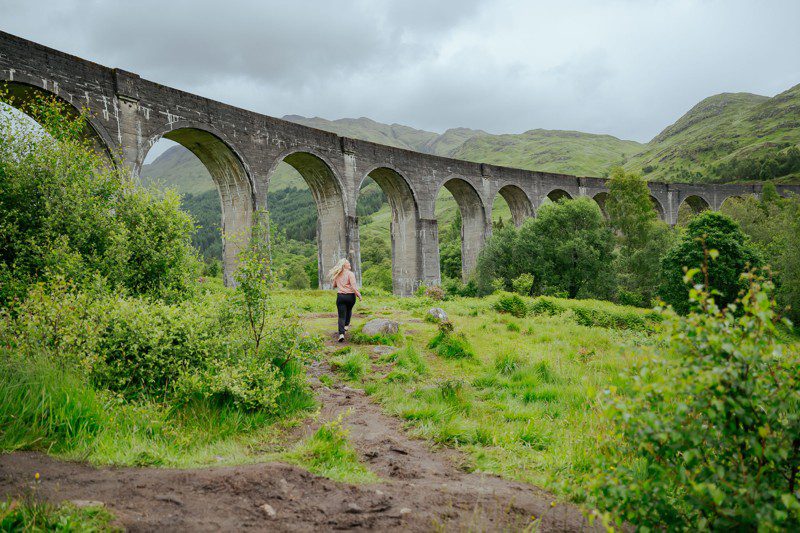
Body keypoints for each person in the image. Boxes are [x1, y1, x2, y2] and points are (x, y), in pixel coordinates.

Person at [328, 258, 362, 342]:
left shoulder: (337, 274)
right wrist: (359, 295)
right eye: (348, 263)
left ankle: (341, 334)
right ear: (344, 265)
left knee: (341, 316)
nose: (350, 264)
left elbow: (334, 285)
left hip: (341, 296)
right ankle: (346, 326)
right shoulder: (350, 274)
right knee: (349, 310)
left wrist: (340, 284)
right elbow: (354, 287)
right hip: (350, 296)